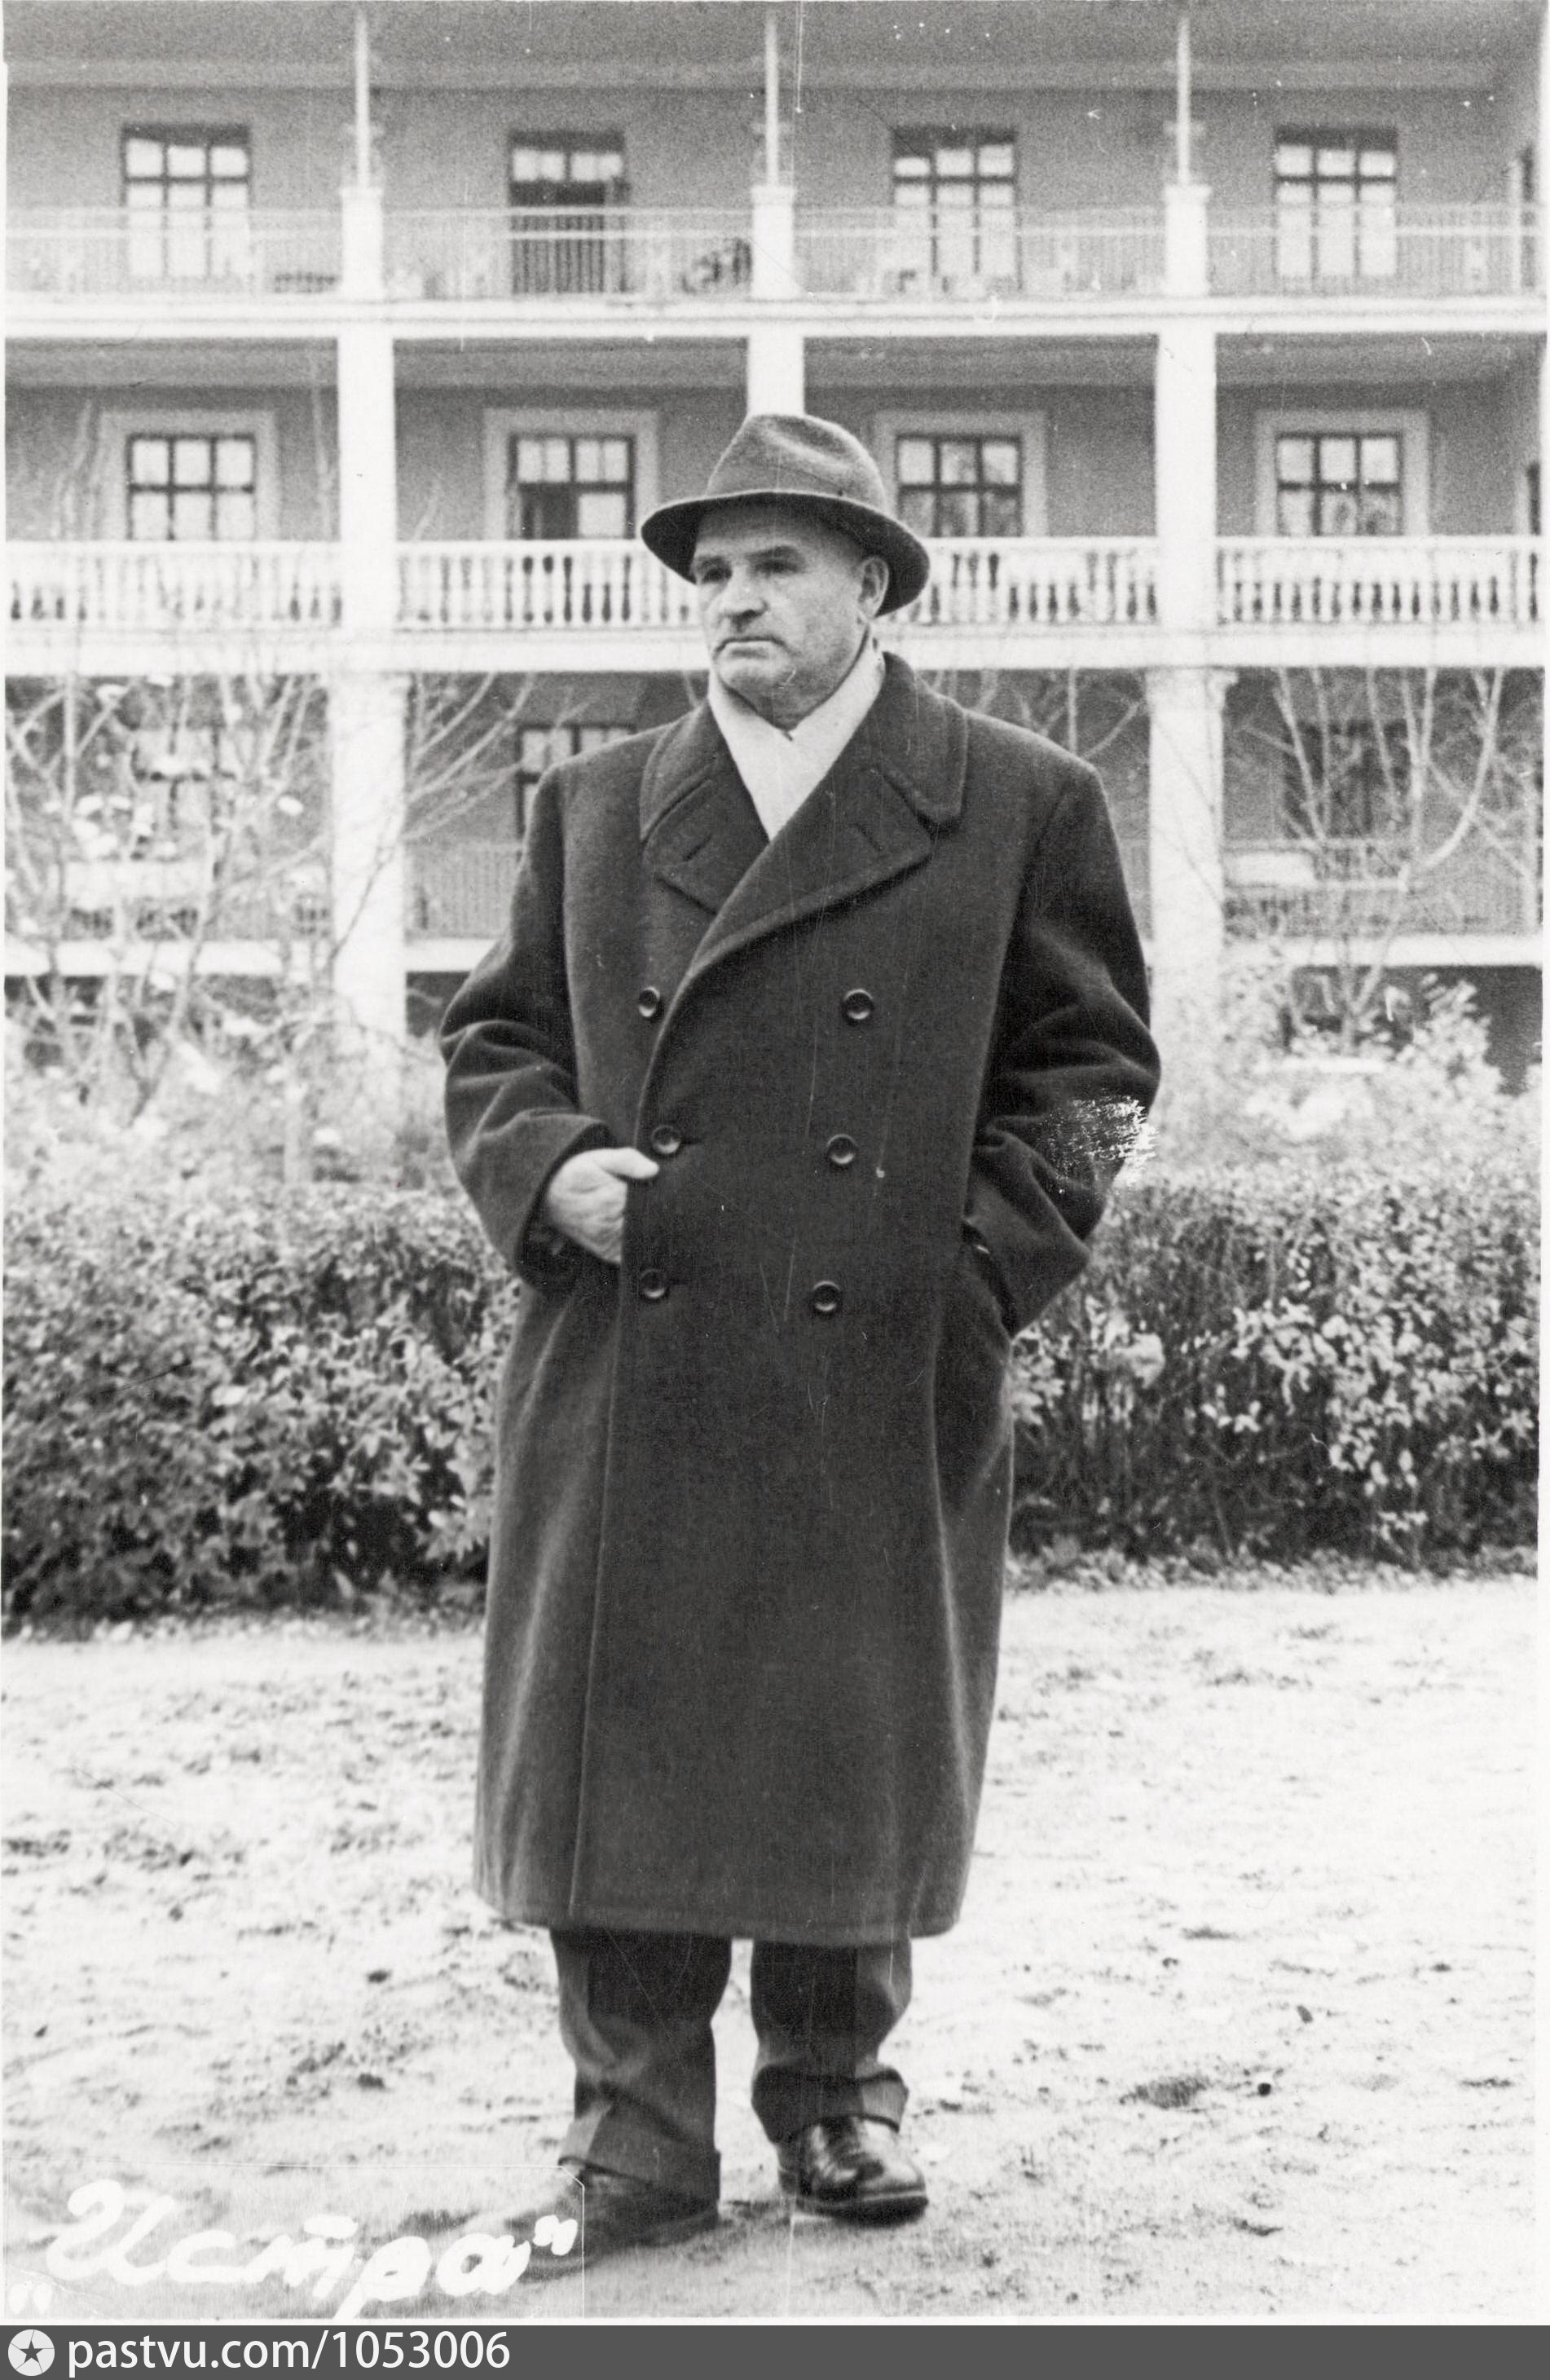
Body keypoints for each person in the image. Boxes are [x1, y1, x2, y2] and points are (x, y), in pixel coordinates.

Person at [440, 413, 1160, 2270]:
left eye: (774, 565)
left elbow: (1094, 1071)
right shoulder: (595, 804)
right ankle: (632, 2138)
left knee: (847, 1725)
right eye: (711, 571)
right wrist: (547, 1168)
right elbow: (494, 1042)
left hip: (876, 1349)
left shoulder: (1016, 799)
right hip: (634, 1345)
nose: (731, 599)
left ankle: (837, 2099)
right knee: (622, 1740)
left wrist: (973, 1268)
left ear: (872, 585)